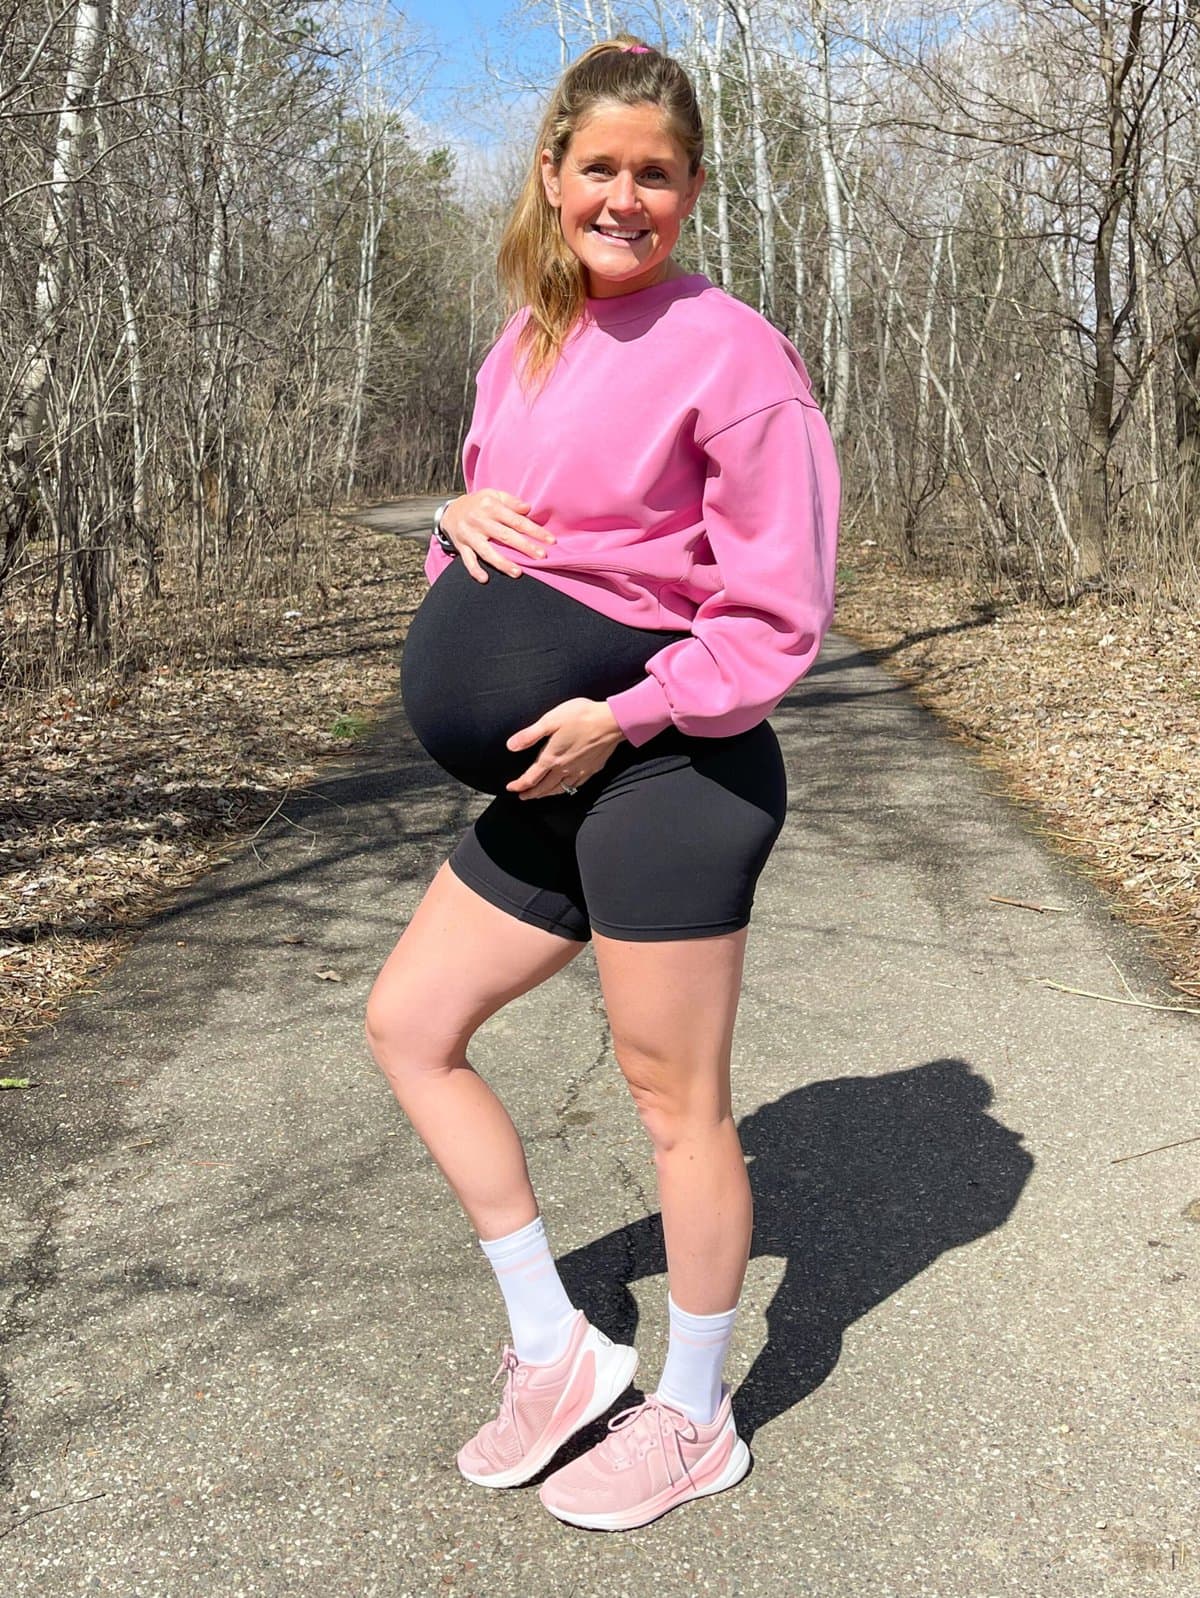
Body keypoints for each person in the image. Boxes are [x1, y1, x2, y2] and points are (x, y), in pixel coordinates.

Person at [365, 34, 840, 1532]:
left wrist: (624, 718)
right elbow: (491, 545)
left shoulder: (736, 353)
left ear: (689, 190)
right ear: (553, 179)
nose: (624, 197)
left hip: (669, 769)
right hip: (548, 781)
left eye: (655, 174)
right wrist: (451, 520)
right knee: (410, 1024)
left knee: (671, 1099)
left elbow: (777, 615)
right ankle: (558, 1349)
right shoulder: (525, 338)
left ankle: (697, 1414)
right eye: (600, 169)